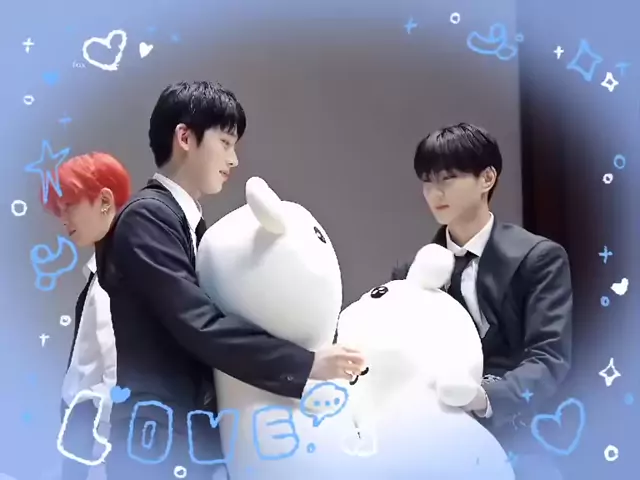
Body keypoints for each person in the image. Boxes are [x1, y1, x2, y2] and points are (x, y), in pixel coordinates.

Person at [96, 81, 366, 480]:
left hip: (188, 431)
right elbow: (197, 323)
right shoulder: (147, 217)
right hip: (158, 434)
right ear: (185, 138)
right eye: (225, 143)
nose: (234, 159)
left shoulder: (188, 226)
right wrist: (306, 363)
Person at [391, 123, 572, 479]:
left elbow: (549, 356)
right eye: (427, 180)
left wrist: (485, 396)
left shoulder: (537, 257)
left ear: (487, 178)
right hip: (433, 439)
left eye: (449, 178)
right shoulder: (411, 270)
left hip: (516, 434)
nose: (435, 192)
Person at [44, 152, 132, 480]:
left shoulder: (117, 272)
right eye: (59, 210)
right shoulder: (101, 271)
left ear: (104, 201)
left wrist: (103, 434)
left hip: (93, 423)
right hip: (83, 418)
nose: (63, 219)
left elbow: (115, 363)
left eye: (69, 205)